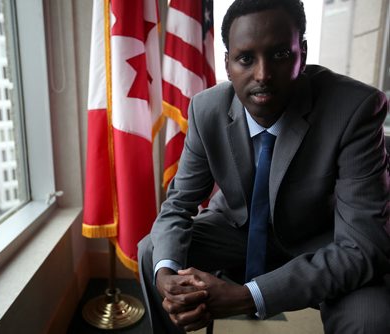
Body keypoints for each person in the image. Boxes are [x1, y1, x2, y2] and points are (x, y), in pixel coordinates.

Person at [137, 0, 390, 333]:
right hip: (237, 232)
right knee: (154, 251)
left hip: (325, 243)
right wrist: (167, 278)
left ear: (303, 52)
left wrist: (247, 296)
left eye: (280, 55)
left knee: (372, 319)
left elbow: (363, 246)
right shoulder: (206, 109)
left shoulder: (354, 109)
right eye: (246, 58)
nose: (263, 75)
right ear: (227, 65)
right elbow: (178, 205)